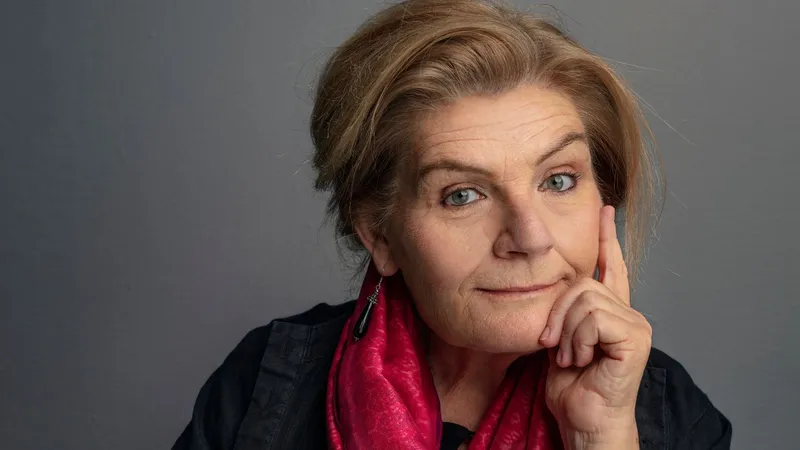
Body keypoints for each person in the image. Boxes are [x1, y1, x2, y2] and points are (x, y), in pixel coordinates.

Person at [173, 1, 732, 449]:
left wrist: (599, 438)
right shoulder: (268, 381)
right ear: (380, 235)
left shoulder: (674, 418)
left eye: (559, 180)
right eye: (463, 195)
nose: (531, 237)